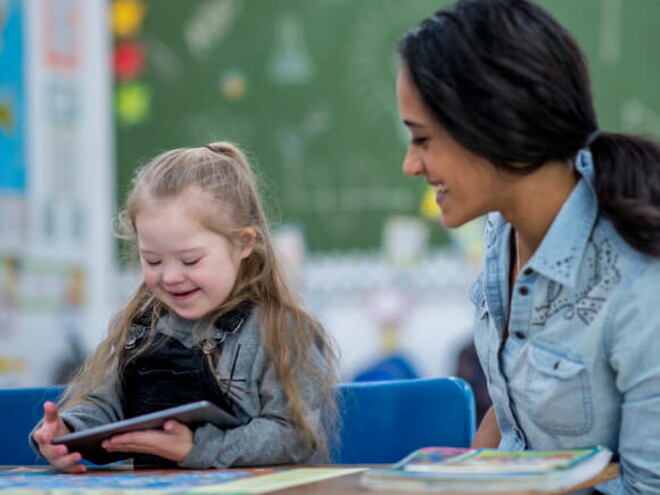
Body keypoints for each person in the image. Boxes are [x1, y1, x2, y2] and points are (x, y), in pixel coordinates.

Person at [396, 0, 660, 493]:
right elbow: (516, 412)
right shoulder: (504, 232)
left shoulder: (639, 281)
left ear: (492, 125)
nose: (411, 165)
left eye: (423, 139)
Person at [31, 142, 338, 472]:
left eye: (190, 260)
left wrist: (198, 448)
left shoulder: (282, 331)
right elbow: (107, 407)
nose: (172, 276)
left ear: (244, 243)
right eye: (153, 260)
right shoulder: (139, 327)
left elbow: (294, 436)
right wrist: (68, 432)